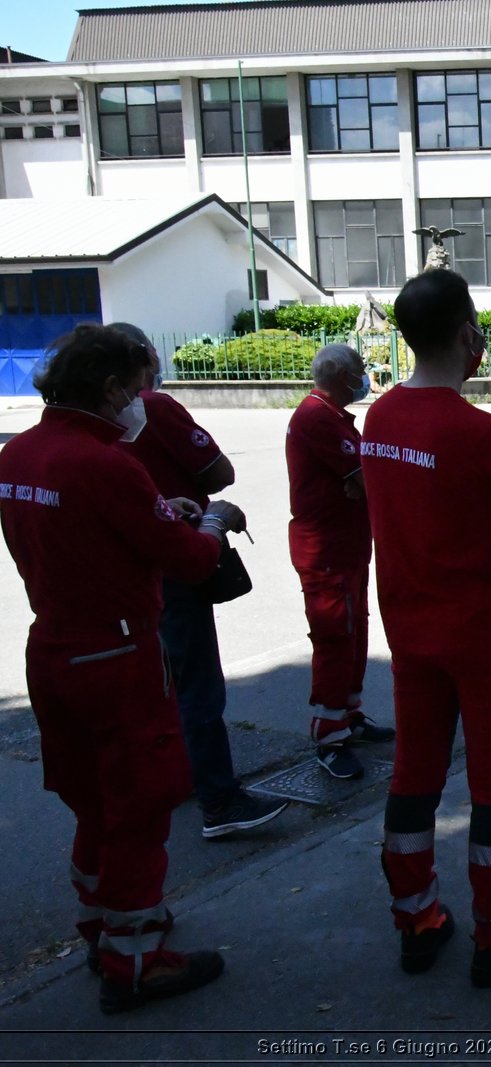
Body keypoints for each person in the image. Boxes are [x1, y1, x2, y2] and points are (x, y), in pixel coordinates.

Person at [0, 325, 251, 1012]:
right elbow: (191, 561)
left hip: (53, 647)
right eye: (136, 388)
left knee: (92, 800)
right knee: (140, 805)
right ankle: (138, 959)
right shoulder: (106, 463)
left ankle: (100, 921)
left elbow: (79, 535)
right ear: (111, 388)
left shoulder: (19, 455)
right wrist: (210, 522)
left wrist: (164, 513)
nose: (141, 400)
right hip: (117, 654)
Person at [362, 269, 491, 989]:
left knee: (415, 776)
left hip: (411, 629)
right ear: (466, 335)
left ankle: (416, 915)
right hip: (484, 634)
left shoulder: (379, 417)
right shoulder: (483, 432)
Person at [109, 322, 287, 840]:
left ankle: (181, 776)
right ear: (143, 358)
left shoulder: (80, 435)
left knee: (164, 680)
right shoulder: (155, 409)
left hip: (135, 571)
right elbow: (218, 472)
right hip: (177, 560)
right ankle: (220, 799)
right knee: (198, 685)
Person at [285, 344, 394, 781]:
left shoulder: (332, 416)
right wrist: (365, 481)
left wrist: (364, 481)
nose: (365, 377)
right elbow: (369, 477)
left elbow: (366, 477)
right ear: (338, 374)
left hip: (347, 545)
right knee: (335, 635)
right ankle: (328, 733)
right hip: (326, 548)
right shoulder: (316, 417)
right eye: (360, 371)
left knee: (354, 629)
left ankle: (349, 715)